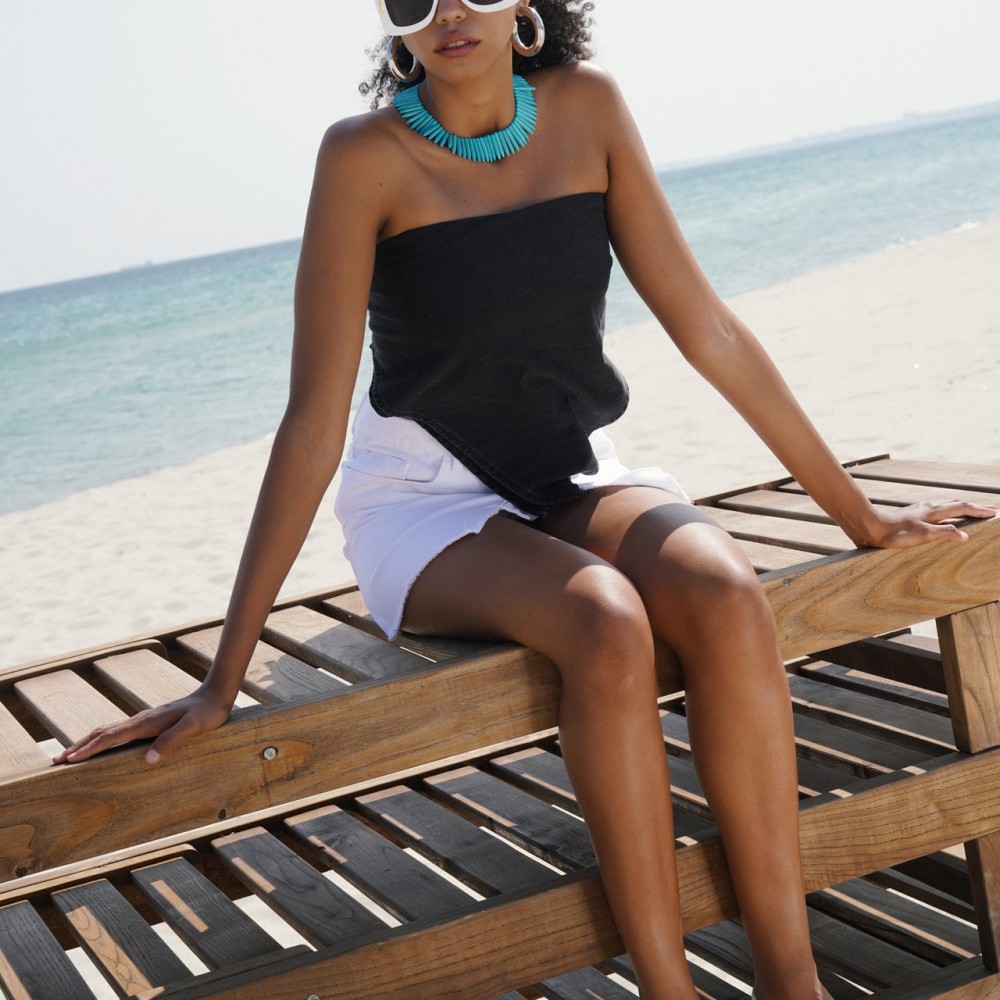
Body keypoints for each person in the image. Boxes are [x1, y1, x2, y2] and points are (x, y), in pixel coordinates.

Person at [55, 1, 996, 996]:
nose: (449, 9)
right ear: (394, 22)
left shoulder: (588, 110)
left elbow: (706, 326)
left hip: (571, 470)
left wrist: (859, 515)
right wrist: (221, 680)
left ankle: (791, 981)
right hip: (421, 500)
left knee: (725, 590)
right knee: (605, 617)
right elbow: (312, 423)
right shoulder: (361, 156)